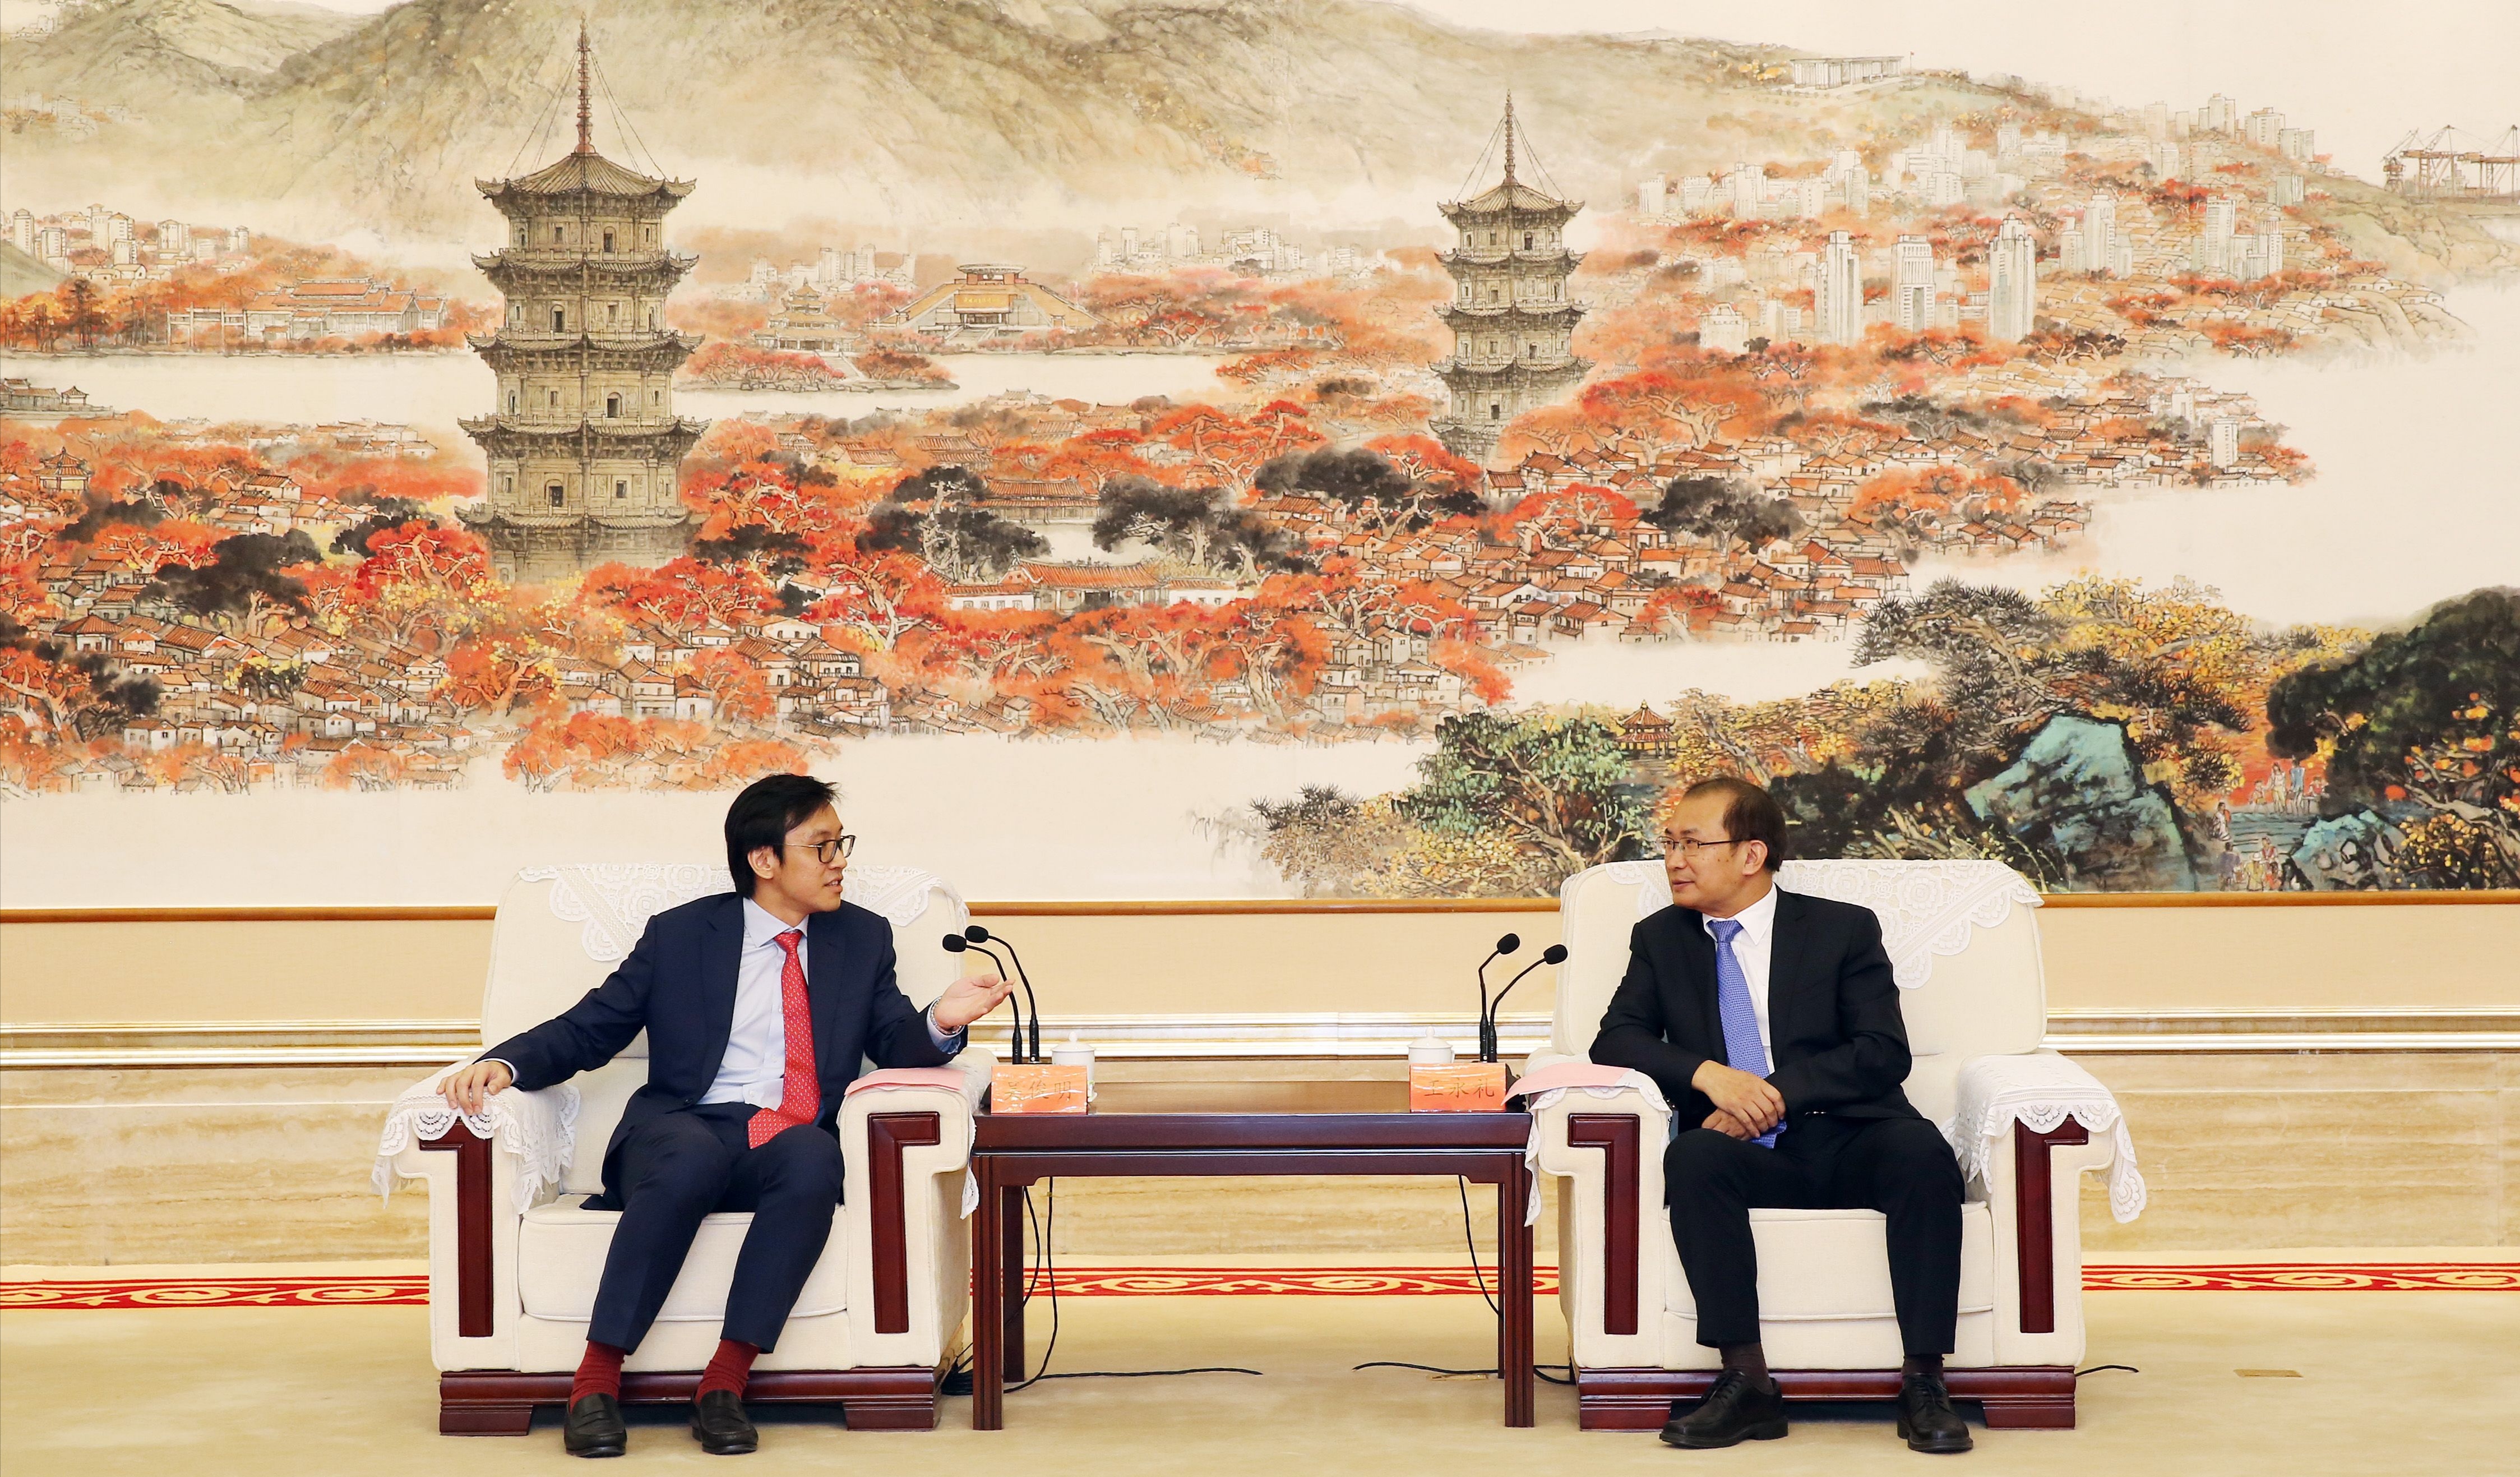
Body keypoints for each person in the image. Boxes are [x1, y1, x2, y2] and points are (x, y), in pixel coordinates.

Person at [437, 773, 1014, 1458]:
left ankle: (724, 1384)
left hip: (784, 1133)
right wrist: (508, 1064)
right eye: (822, 847)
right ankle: (594, 1382)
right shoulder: (683, 936)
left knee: (813, 1157)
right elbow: (593, 1026)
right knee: (693, 1157)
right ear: (763, 859)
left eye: (841, 845)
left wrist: (942, 1020)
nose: (840, 863)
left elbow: (892, 1042)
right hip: (684, 1125)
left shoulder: (860, 938)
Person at [1590, 776, 1973, 1455]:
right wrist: (1712, 1078)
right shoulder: (1661, 938)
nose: (1674, 860)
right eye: (1668, 844)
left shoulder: (1840, 929)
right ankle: (1746, 1381)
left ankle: (1924, 1381)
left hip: (1853, 1132)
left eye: (1692, 843)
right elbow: (1616, 1037)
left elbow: (1882, 1052)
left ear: (1750, 854)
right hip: (1745, 1156)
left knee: (1921, 1154)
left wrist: (1769, 1094)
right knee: (1693, 1156)